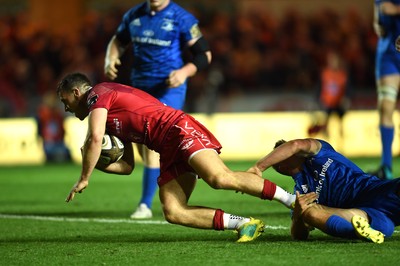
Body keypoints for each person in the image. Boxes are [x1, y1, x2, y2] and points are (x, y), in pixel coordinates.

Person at [57, 72, 296, 242]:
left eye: (64, 100)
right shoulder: (111, 117)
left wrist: (84, 176)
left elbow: (94, 137)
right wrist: (97, 164)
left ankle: (293, 200)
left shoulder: (97, 94)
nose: (66, 108)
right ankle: (244, 224)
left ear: (76, 92)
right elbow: (127, 166)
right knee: (173, 211)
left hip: (176, 128)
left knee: (219, 178)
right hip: (166, 148)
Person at [104, 0, 212, 219]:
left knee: (152, 144)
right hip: (139, 89)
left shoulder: (182, 18)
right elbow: (118, 40)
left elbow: (204, 55)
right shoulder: (134, 15)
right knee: (142, 145)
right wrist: (111, 58)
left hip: (168, 89)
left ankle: (144, 204)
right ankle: (182, 167)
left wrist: (184, 72)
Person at [251, 137, 400, 243]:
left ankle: (363, 230)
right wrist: (297, 216)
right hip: (366, 215)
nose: (292, 150)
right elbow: (298, 235)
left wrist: (259, 167)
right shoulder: (300, 193)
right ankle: (363, 232)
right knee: (308, 213)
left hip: (376, 191)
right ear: (282, 166)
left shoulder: (321, 152)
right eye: (286, 152)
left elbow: (296, 144)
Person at [371, 0, 400, 180]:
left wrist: (396, 9)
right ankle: (386, 167)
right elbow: (378, 12)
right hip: (388, 52)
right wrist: (376, 22)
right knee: (385, 108)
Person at [307, 50, 350, 138]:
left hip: (338, 103)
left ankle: (341, 141)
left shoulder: (342, 74)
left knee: (340, 122)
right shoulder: (325, 73)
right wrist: (317, 99)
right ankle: (327, 140)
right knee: (325, 122)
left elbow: (347, 88)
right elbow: (319, 87)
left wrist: (346, 98)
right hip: (327, 102)